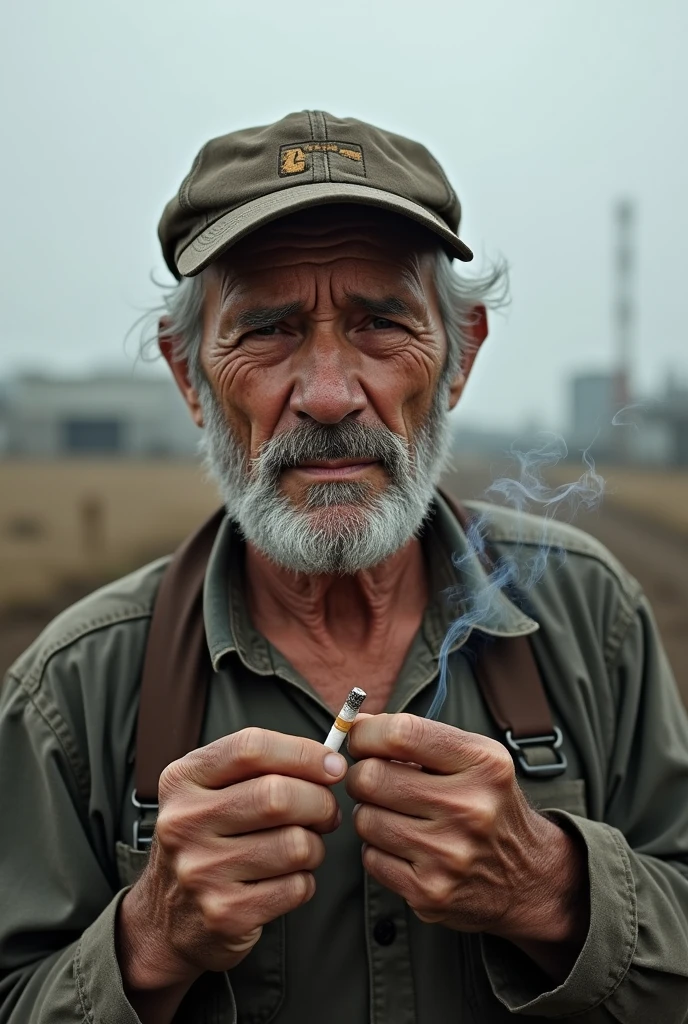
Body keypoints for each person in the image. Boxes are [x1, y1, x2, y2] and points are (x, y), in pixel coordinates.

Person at [1, 111, 688, 1024]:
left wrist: (555, 890)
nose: (328, 396)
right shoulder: (73, 688)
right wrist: (152, 939)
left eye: (380, 323)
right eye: (268, 331)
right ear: (188, 376)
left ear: (459, 357)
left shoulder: (591, 614)